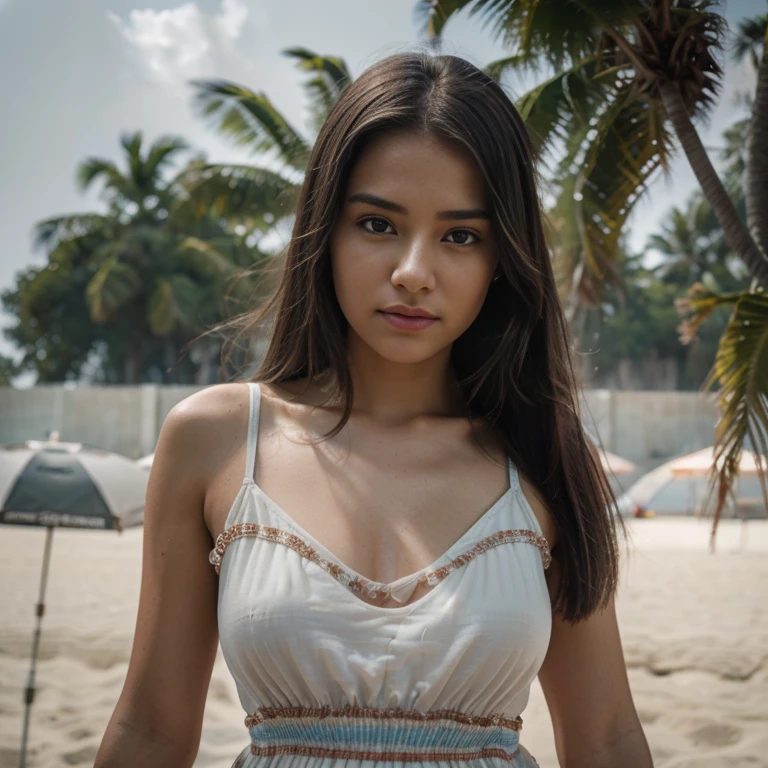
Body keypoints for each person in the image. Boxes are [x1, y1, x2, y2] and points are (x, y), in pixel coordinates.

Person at [95, 51, 653, 767]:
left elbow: (605, 737)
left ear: (501, 259)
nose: (414, 273)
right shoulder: (215, 439)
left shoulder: (542, 449)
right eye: (378, 224)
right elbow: (150, 730)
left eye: (461, 236)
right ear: (325, 229)